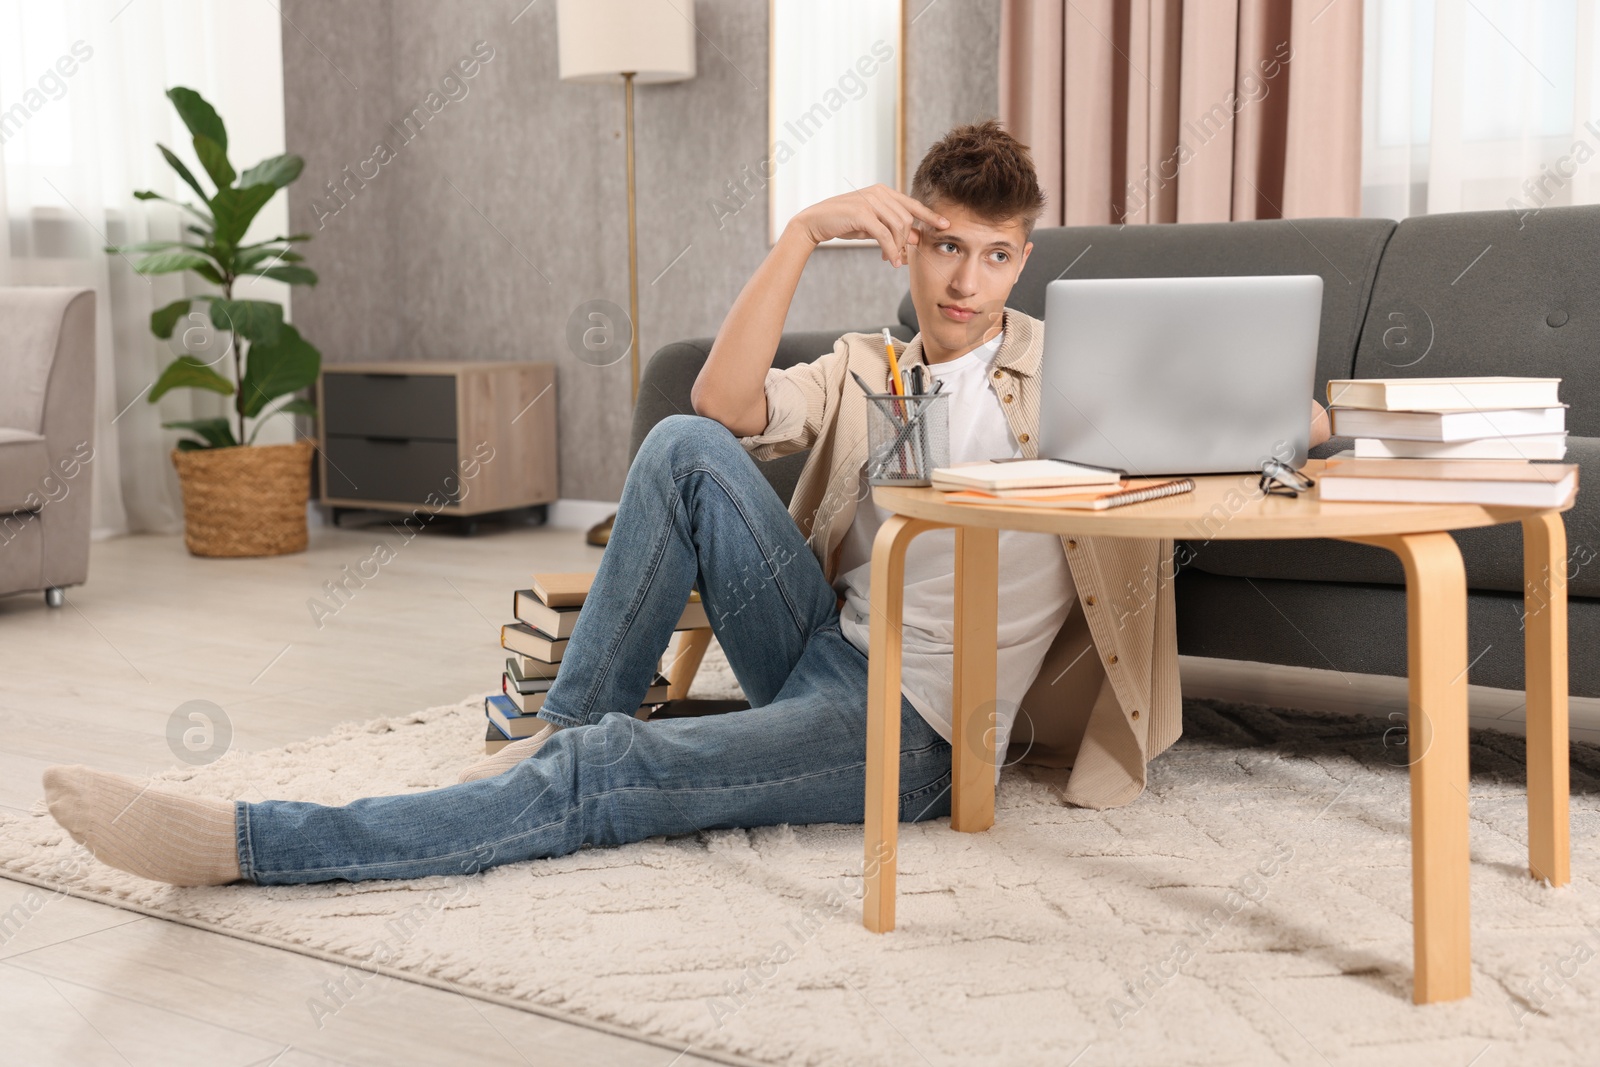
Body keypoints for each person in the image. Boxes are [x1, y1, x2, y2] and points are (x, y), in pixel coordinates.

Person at [41, 121, 1331, 887]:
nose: (968, 278)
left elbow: (1282, 419)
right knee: (672, 443)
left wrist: (1298, 415)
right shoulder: (869, 368)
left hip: (923, 739)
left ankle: (258, 843)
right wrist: (799, 236)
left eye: (997, 254)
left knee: (624, 768)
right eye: (944, 243)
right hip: (829, 653)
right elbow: (720, 407)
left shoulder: (1078, 375)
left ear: (1022, 259)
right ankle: (568, 722)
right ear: (908, 239)